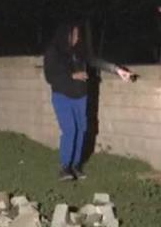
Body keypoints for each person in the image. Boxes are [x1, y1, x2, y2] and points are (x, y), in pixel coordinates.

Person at [43, 21, 136, 181]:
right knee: (70, 130)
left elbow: (94, 60)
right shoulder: (54, 51)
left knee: (81, 130)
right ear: (66, 34)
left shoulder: (79, 50)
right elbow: (50, 76)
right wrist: (72, 76)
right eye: (75, 34)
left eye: (79, 34)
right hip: (62, 96)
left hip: (81, 96)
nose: (77, 37)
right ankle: (65, 167)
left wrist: (117, 69)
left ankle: (76, 166)